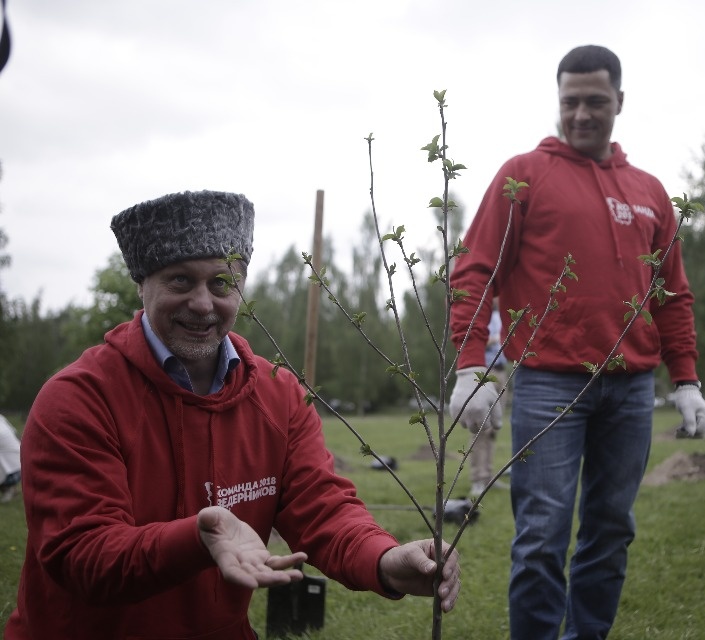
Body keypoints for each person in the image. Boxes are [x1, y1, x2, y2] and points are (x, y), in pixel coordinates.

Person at [5, 190, 460, 640]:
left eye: (221, 283)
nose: (203, 303)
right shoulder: (77, 398)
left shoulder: (278, 394)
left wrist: (383, 559)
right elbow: (84, 555)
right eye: (180, 280)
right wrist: (199, 536)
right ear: (142, 284)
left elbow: (321, 510)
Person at [448, 45, 705, 639]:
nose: (582, 114)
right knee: (541, 533)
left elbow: (672, 295)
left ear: (620, 101)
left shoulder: (649, 192)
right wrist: (471, 368)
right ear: (558, 101)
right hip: (548, 384)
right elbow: (474, 270)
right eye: (571, 102)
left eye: (596, 101)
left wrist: (687, 378)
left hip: (633, 388)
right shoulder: (524, 176)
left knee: (611, 528)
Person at [463, 300, 510, 499]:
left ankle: (489, 476)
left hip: (501, 373)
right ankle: (477, 480)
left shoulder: (503, 317)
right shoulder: (478, 317)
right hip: (484, 373)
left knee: (493, 429)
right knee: (479, 428)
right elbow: (473, 341)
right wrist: (498, 339)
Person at [0, 413, 20, 503]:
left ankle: (8, 489)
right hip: (21, 463)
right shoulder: (1, 418)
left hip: (14, 472)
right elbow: (15, 432)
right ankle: (10, 489)